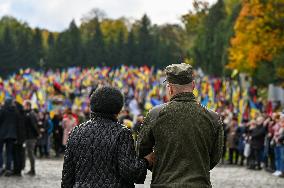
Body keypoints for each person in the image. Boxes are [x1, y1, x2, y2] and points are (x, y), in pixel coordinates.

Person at [138, 63, 223, 187]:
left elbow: (142, 149)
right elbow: (215, 157)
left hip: (163, 183)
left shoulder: (155, 114)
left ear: (170, 88)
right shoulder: (213, 118)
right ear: (193, 85)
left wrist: (161, 167)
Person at [62, 86, 154, 188]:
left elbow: (67, 176)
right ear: (118, 110)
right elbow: (130, 172)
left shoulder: (76, 131)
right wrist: (146, 161)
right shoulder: (122, 133)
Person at [0, 99, 20, 176]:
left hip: (2, 134)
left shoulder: (2, 110)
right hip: (12, 135)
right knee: (9, 153)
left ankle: (0, 167)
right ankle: (8, 169)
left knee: (0, 152)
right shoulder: (15, 111)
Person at [23, 100, 39, 176]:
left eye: (24, 105)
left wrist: (37, 134)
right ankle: (32, 169)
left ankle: (32, 170)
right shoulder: (29, 113)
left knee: (30, 153)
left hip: (31, 137)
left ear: (28, 106)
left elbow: (34, 126)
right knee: (29, 153)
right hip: (30, 136)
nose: (24, 107)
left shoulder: (31, 114)